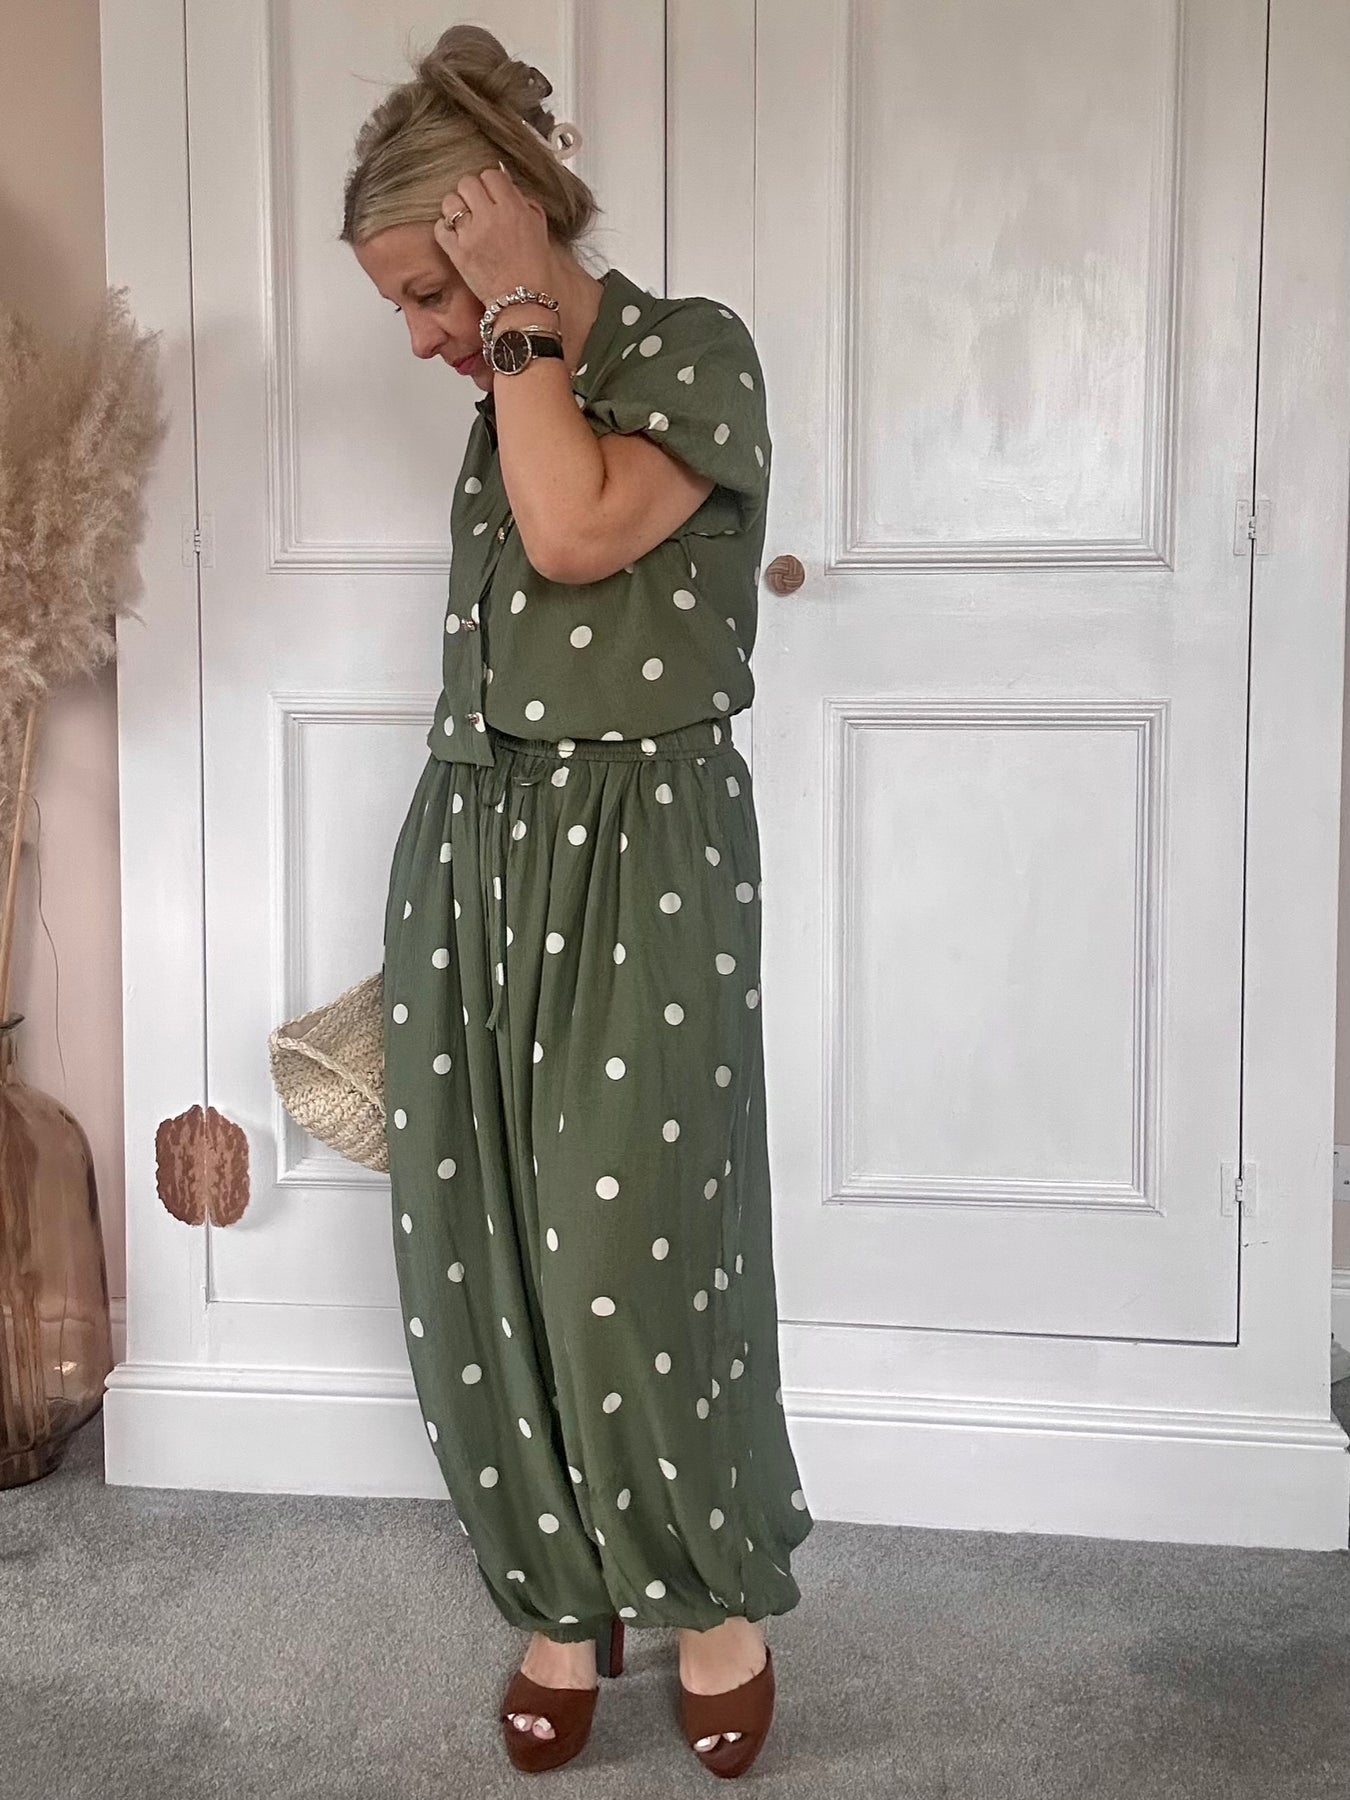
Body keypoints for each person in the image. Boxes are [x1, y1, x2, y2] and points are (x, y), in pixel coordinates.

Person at [341, 22, 813, 1777]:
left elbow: (578, 534)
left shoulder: (686, 354)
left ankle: (710, 1599)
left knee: (630, 1252)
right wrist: (504, 333)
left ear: (505, 228)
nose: (422, 336)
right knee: (478, 1250)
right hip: (479, 834)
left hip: (643, 847)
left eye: (427, 289)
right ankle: (561, 1596)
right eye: (409, 307)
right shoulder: (502, 390)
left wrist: (522, 306)